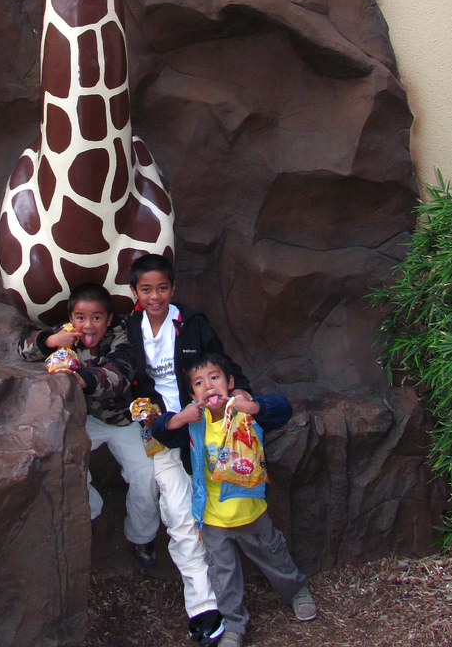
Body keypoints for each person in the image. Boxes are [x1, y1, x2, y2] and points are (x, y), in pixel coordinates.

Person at [125, 254, 252, 646]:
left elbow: (220, 362)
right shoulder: (128, 329)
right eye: (146, 289)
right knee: (180, 514)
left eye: (162, 288)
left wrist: (241, 388)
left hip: (202, 429)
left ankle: (218, 598)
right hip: (161, 432)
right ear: (135, 293)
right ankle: (205, 610)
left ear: (173, 288)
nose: (155, 296)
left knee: (206, 511)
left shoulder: (192, 325)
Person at [153, 351, 317, 647]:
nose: (209, 386)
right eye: (199, 383)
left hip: (252, 513)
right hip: (214, 521)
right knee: (222, 577)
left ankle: (296, 591)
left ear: (229, 382)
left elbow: (283, 409)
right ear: (192, 393)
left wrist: (252, 406)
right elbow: (159, 430)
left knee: (274, 555)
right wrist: (179, 418)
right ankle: (234, 625)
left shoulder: (244, 412)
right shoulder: (195, 422)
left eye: (215, 378)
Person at [19, 282, 160, 568]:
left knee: (146, 476)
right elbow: (24, 348)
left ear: (108, 320)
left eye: (96, 318)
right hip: (83, 421)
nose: (87, 325)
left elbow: (119, 375)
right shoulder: (67, 333)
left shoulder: (121, 337)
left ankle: (141, 535)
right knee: (60, 457)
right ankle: (92, 511)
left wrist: (83, 379)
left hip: (122, 419)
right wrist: (50, 341)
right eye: (80, 318)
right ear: (71, 318)